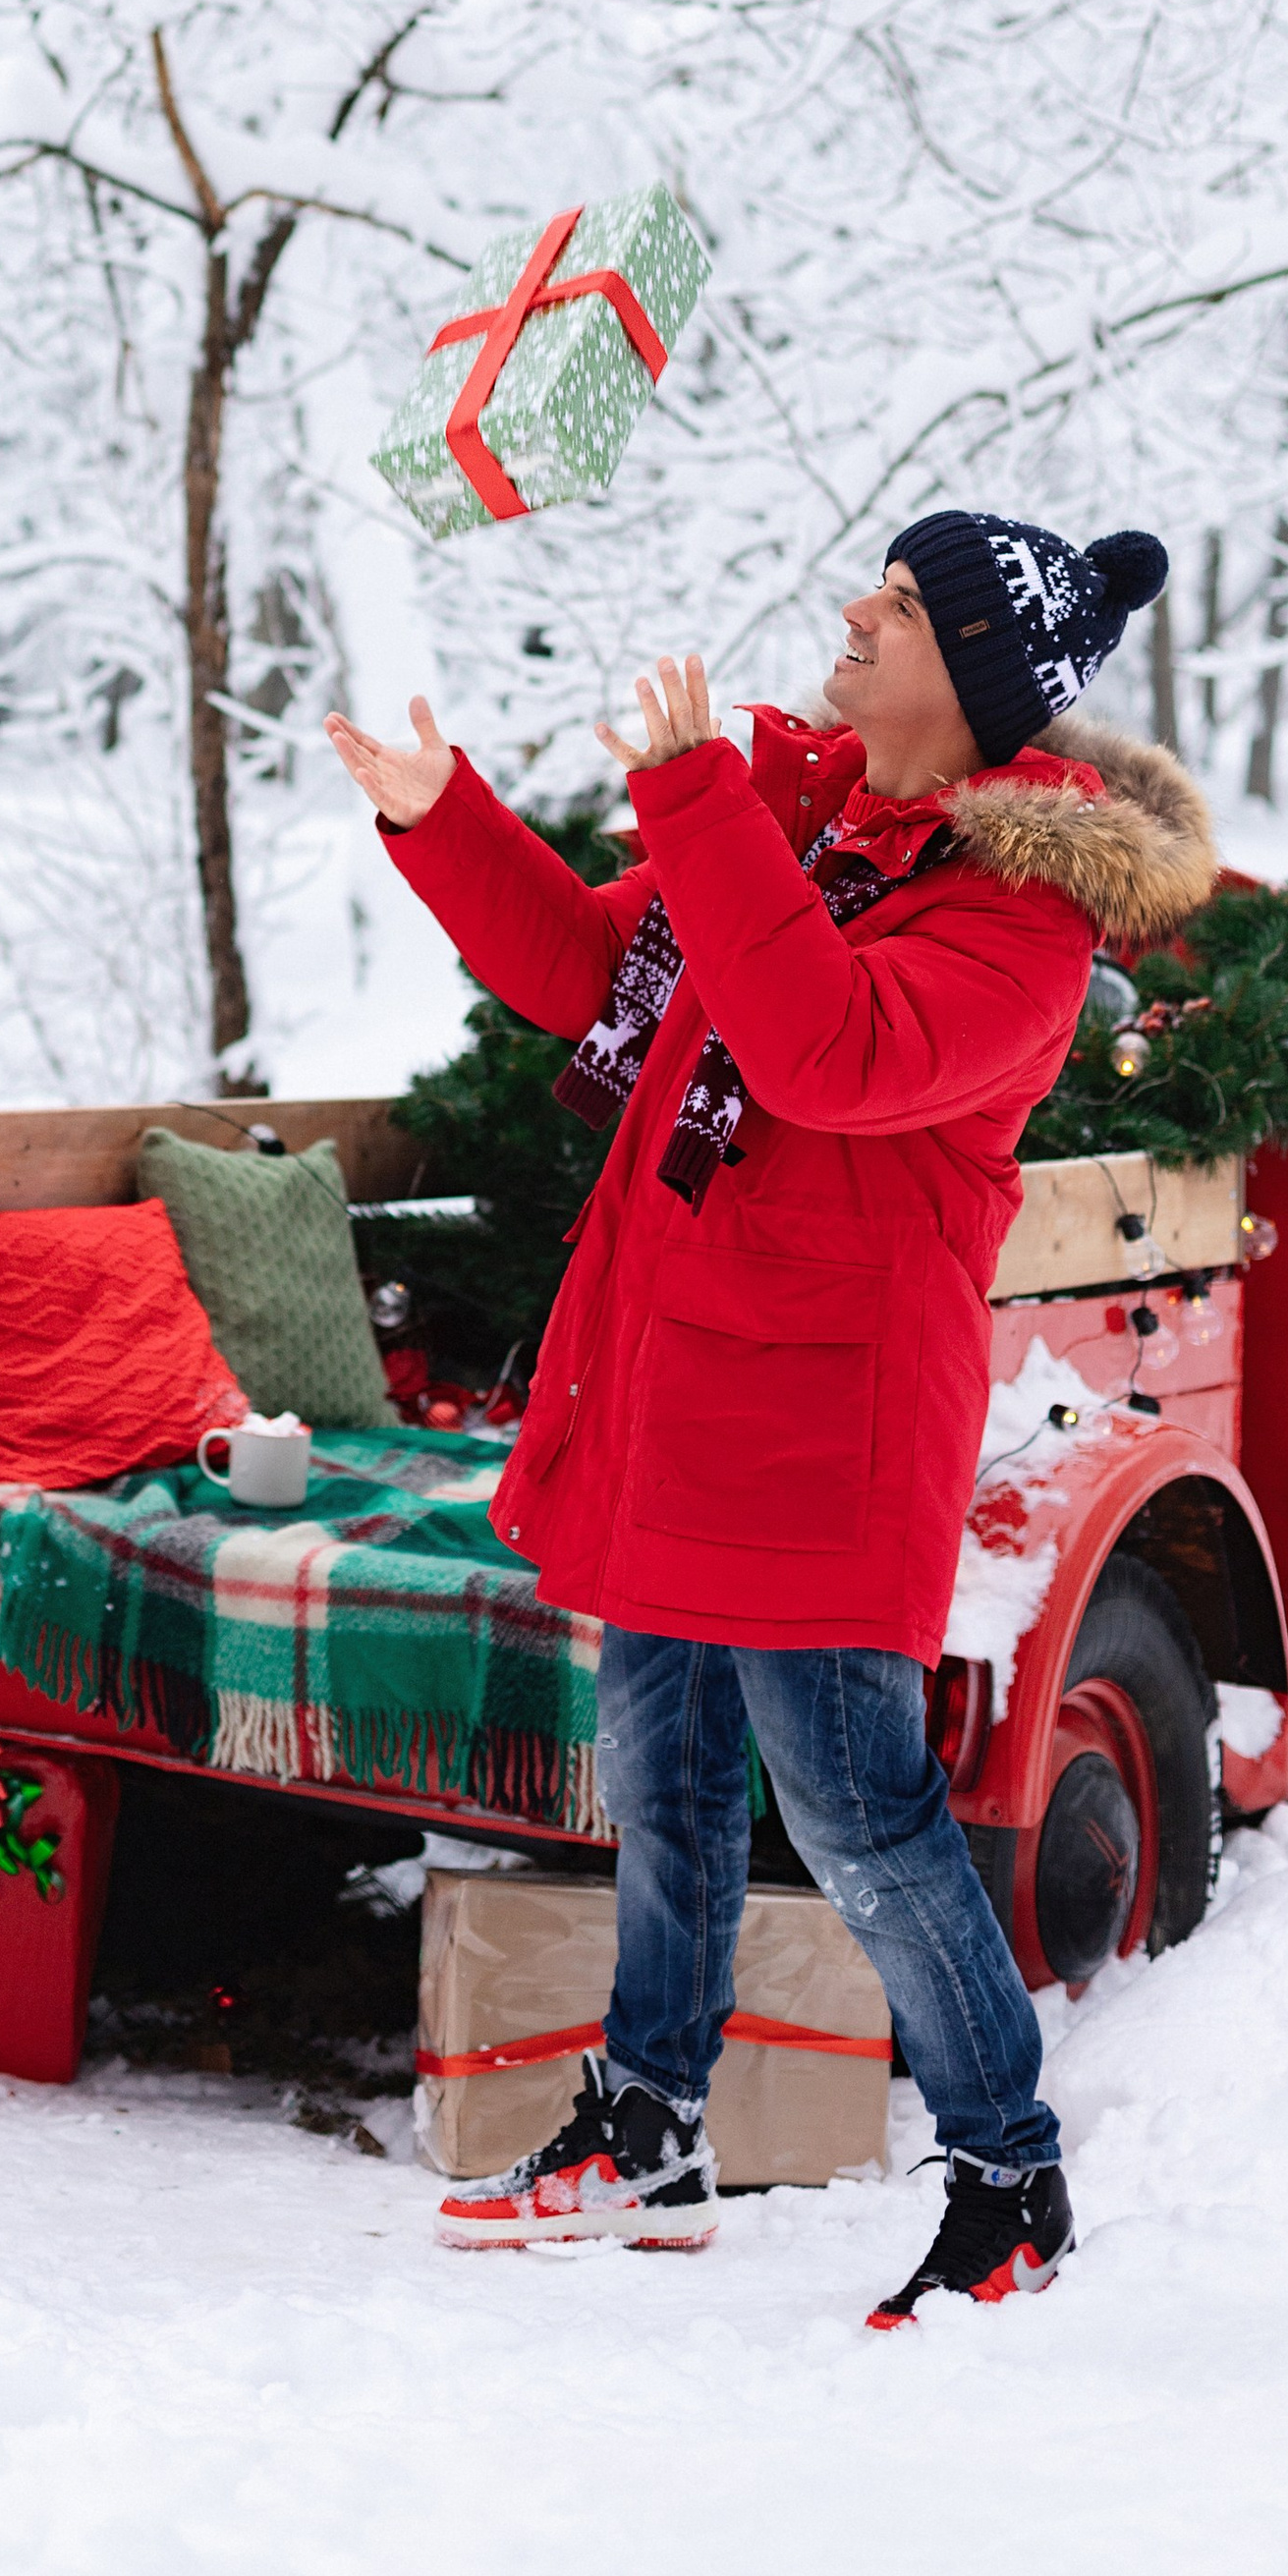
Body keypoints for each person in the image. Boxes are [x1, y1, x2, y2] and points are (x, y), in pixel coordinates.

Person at [326, 511, 1213, 2325]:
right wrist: (445, 813)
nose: (850, 618)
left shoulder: (1018, 918)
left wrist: (697, 803)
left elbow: (821, 1047)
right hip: (674, 1378)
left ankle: (1009, 2181)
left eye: (894, 609)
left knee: (866, 1818)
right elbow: (595, 975)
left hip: (825, 1426)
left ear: (971, 680)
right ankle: (647, 2129)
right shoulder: (800, 822)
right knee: (661, 1782)